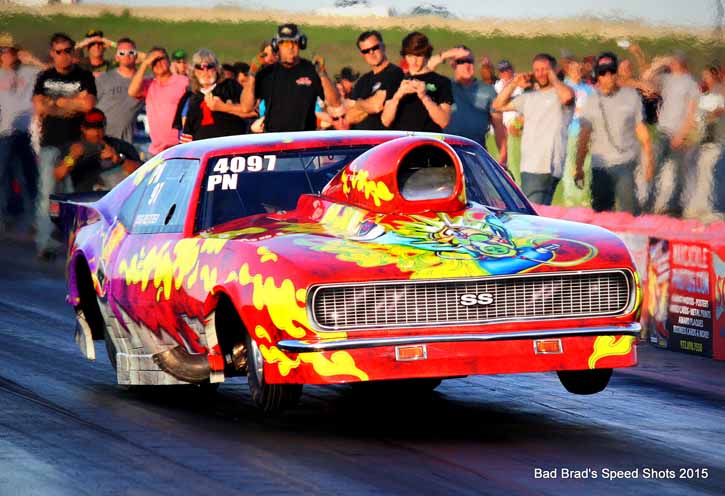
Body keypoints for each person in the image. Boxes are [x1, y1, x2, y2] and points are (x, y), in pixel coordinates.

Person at [32, 32, 96, 258]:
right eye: (59, 52)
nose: (64, 56)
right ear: (53, 53)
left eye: (68, 51)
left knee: (72, 195)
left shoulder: (84, 76)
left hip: (75, 145)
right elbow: (40, 107)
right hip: (50, 143)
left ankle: (74, 242)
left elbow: (88, 104)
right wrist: (71, 104)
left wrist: (58, 103)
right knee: (46, 194)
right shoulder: (44, 77)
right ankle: (45, 243)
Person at [575, 52, 654, 214]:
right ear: (598, 76)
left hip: (626, 163)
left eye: (611, 71)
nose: (608, 76)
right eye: (603, 72)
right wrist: (578, 166)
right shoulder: (591, 101)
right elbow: (584, 136)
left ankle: (630, 239)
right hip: (600, 165)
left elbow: (642, 132)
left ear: (616, 73)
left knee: (629, 212)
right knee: (601, 214)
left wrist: (649, 163)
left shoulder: (631, 96)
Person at [493, 53, 574, 205]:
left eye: (545, 69)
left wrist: (553, 78)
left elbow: (567, 97)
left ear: (554, 70)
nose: (541, 73)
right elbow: (498, 104)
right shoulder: (529, 97)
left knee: (536, 215)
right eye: (537, 70)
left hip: (552, 164)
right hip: (531, 165)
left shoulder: (561, 93)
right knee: (537, 213)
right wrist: (514, 82)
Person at [241, 24, 340, 133]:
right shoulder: (266, 74)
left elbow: (334, 103)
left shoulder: (312, 70)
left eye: (294, 42)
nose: (290, 47)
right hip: (274, 139)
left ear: (302, 44)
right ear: (276, 45)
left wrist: (322, 73)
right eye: (285, 43)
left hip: (304, 139)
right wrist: (252, 74)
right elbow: (246, 107)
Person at [642, 51, 701, 216]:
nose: (672, 63)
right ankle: (648, 204)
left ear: (680, 62)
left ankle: (675, 208)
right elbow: (646, 78)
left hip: (678, 133)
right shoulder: (666, 80)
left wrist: (682, 134)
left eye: (673, 60)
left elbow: (691, 112)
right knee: (654, 170)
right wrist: (660, 62)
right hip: (663, 131)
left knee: (679, 173)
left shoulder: (690, 84)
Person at [427, 45, 506, 162]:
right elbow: (426, 70)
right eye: (461, 61)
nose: (467, 65)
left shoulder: (488, 90)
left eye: (470, 61)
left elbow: (498, 126)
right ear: (453, 65)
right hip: (448, 151)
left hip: (477, 152)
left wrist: (503, 159)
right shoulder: (445, 86)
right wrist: (446, 54)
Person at [0, 32, 40, 234]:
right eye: (4, 51)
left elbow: (52, 73)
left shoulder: (28, 72)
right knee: (3, 176)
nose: (9, 55)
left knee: (28, 177)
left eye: (12, 51)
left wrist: (32, 59)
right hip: (3, 134)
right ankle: (5, 217)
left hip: (23, 133)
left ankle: (33, 219)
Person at [381, 32, 453, 133]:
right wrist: (398, 95)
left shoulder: (442, 82)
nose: (414, 61)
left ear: (426, 55)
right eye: (410, 56)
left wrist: (425, 97)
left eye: (418, 56)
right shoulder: (395, 79)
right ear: (405, 56)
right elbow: (385, 121)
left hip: (428, 141)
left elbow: (444, 121)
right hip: (401, 142)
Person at [54, 108, 140, 192]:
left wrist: (119, 159)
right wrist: (72, 157)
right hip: (82, 200)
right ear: (82, 128)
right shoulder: (71, 147)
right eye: (91, 127)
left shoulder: (118, 146)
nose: (96, 132)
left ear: (104, 126)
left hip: (112, 200)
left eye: (99, 127)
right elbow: (55, 177)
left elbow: (143, 173)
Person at [128, 46, 189, 155]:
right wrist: (145, 64)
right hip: (157, 151)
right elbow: (132, 92)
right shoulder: (149, 85)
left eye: (161, 59)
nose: (158, 63)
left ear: (169, 61)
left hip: (180, 147)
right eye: (154, 61)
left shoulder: (183, 82)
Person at [180, 49, 250, 141]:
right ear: (194, 72)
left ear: (217, 68)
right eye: (200, 67)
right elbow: (188, 134)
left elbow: (252, 111)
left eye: (209, 66)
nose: (205, 71)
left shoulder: (230, 86)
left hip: (232, 147)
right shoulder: (193, 98)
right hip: (205, 151)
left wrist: (224, 107)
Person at [346, 30, 404, 130]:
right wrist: (366, 104)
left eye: (375, 48)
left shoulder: (395, 73)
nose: (371, 53)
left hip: (384, 138)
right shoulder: (363, 81)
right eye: (366, 51)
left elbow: (376, 106)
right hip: (362, 139)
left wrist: (358, 103)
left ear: (383, 47)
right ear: (362, 54)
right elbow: (349, 117)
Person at [95, 37, 143, 143]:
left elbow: (153, 59)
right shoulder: (103, 78)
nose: (126, 55)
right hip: (102, 138)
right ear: (116, 57)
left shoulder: (144, 82)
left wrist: (145, 60)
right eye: (122, 53)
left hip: (128, 141)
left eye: (131, 52)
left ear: (136, 55)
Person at [561, 57, 594, 206]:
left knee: (585, 164)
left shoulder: (589, 89)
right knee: (569, 164)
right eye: (575, 70)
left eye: (580, 70)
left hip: (586, 133)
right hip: (570, 130)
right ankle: (570, 197)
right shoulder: (564, 87)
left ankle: (583, 197)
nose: (578, 72)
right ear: (568, 71)